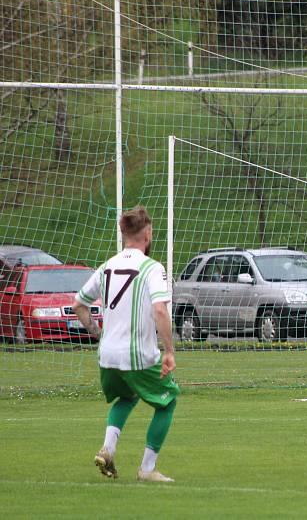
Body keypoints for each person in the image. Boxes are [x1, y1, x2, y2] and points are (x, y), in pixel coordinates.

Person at [73, 205, 180, 482]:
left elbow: (79, 304)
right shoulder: (152, 267)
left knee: (128, 396)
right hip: (137, 356)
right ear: (148, 235)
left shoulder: (107, 265)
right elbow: (159, 310)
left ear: (123, 235)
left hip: (107, 356)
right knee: (167, 402)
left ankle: (108, 449)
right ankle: (147, 469)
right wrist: (169, 350)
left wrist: (97, 332)